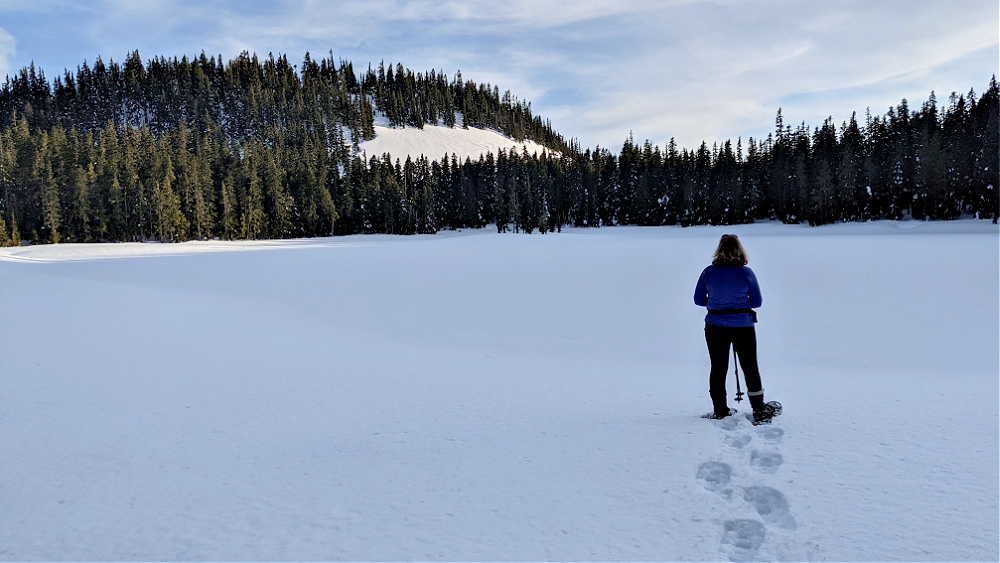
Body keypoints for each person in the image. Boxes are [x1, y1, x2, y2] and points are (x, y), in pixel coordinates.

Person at [693, 234, 774, 421]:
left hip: (715, 325)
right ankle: (759, 409)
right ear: (740, 249)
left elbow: (698, 300)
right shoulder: (746, 273)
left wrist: (715, 303)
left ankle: (720, 409)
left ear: (719, 249)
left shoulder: (709, 272)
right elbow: (757, 302)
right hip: (743, 326)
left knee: (718, 367)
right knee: (750, 367)